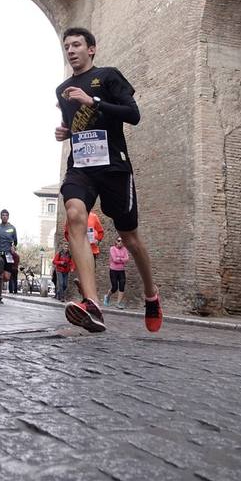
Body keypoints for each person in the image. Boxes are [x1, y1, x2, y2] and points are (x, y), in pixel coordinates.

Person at [55, 27, 162, 334]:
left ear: (92, 49)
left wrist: (94, 101)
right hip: (81, 167)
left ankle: (151, 294)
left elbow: (133, 114)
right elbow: (73, 123)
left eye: (77, 45)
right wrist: (64, 132)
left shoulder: (110, 76)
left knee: (129, 237)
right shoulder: (62, 89)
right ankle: (91, 303)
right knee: (75, 215)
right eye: (67, 46)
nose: (71, 50)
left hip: (114, 167)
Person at [0, 209, 18, 287]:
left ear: (8, 217)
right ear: (0, 217)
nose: (4, 217)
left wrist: (13, 247)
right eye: (3, 215)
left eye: (6, 215)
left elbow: (15, 242)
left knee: (7, 277)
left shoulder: (12, 228)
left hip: (8, 254)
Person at [104, 235, 130, 308]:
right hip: (113, 270)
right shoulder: (112, 248)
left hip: (121, 271)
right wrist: (122, 259)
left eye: (122, 241)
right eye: (118, 240)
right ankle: (107, 297)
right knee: (114, 287)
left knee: (122, 286)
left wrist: (119, 259)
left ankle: (118, 303)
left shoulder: (124, 249)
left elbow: (127, 259)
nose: (120, 242)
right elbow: (114, 259)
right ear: (116, 242)